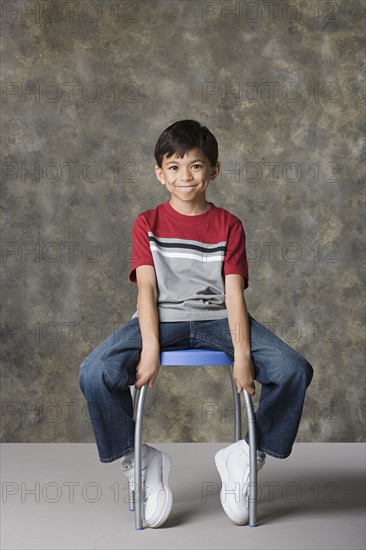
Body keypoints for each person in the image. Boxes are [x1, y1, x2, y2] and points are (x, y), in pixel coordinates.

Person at [79, 119, 313, 528]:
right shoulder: (146, 223)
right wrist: (150, 347)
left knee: (293, 369)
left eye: (196, 166)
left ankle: (245, 454)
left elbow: (235, 294)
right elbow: (146, 292)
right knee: (94, 371)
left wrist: (242, 355)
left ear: (214, 170)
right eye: (174, 166)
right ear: (159, 173)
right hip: (161, 320)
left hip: (219, 320)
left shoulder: (228, 225)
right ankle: (139, 460)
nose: (185, 176)